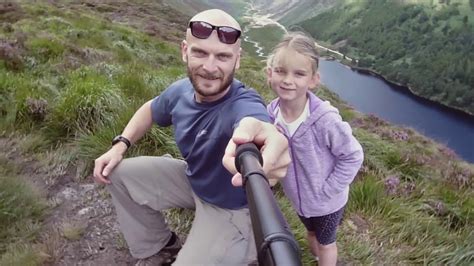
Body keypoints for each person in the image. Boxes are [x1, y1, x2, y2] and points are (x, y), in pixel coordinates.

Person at [92, 9, 291, 266]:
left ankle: (244, 243)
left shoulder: (245, 103)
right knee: (117, 174)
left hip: (232, 209)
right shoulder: (181, 91)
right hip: (193, 181)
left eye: (222, 56)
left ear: (237, 60)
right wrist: (121, 145)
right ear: (185, 50)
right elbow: (150, 109)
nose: (210, 67)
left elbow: (257, 125)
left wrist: (269, 141)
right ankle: (161, 247)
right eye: (200, 52)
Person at [266, 32, 364, 266]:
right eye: (281, 71)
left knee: (327, 243)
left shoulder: (324, 120)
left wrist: (327, 190)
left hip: (328, 203)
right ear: (270, 74)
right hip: (299, 201)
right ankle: (317, 259)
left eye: (299, 74)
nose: (288, 80)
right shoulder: (271, 113)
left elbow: (353, 155)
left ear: (313, 80)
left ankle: (325, 259)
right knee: (311, 235)